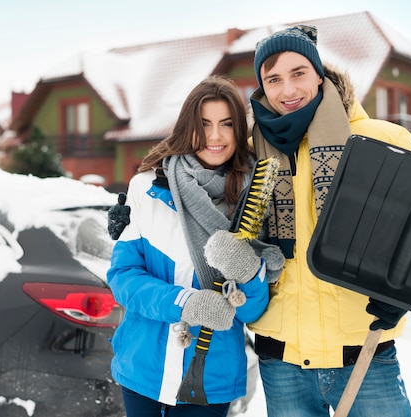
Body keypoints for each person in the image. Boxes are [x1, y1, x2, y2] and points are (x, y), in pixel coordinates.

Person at [247, 25, 411, 416]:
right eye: (273, 79)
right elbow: (201, 175)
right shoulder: (252, 150)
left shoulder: (381, 140)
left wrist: (403, 293)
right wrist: (143, 197)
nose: (287, 90)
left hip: (365, 353)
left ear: (320, 74)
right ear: (262, 88)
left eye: (298, 73)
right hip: (282, 359)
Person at [107, 75, 283, 417]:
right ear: (187, 128)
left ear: (239, 131)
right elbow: (122, 277)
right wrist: (184, 303)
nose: (214, 136)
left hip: (210, 378)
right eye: (204, 125)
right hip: (143, 368)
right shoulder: (147, 189)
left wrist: (248, 272)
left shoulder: (253, 201)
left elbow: (252, 312)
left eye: (226, 124)